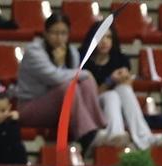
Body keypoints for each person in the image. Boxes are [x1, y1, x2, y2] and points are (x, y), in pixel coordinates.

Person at [16, 13, 121, 152]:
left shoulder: (72, 52)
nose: (59, 38)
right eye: (55, 33)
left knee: (85, 83)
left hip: (60, 107)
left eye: (63, 33)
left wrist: (64, 65)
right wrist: (83, 73)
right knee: (72, 84)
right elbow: (54, 78)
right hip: (31, 107)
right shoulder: (34, 51)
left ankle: (98, 129)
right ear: (45, 33)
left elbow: (72, 79)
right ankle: (87, 137)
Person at [80, 20, 162, 150]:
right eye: (101, 37)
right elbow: (88, 97)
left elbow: (128, 88)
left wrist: (125, 80)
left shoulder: (120, 59)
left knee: (123, 90)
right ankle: (116, 133)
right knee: (111, 95)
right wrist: (110, 81)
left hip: (117, 108)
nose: (104, 41)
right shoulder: (83, 60)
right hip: (91, 109)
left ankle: (144, 137)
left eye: (109, 37)